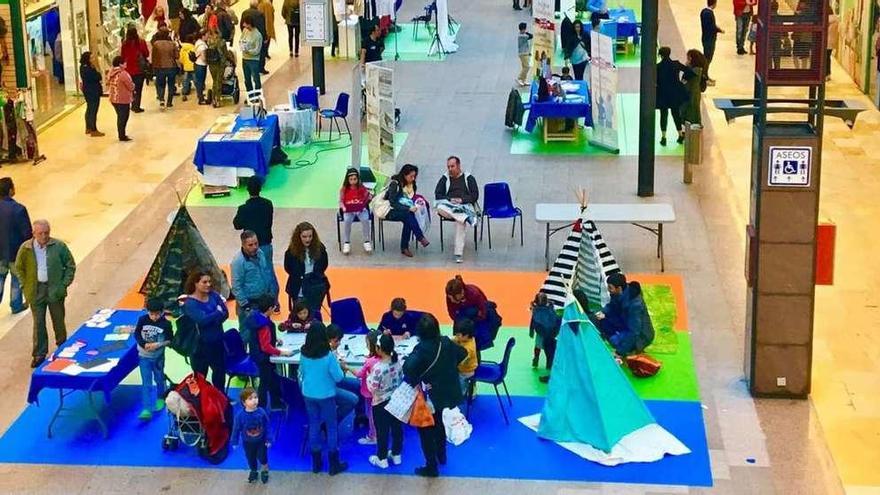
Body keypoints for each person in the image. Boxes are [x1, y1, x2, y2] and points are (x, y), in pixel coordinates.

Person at [403, 313, 467, 477]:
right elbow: (462, 353)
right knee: (438, 423)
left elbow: (408, 369)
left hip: (428, 395)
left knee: (425, 429)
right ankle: (442, 455)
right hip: (444, 392)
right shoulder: (445, 342)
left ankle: (431, 466)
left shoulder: (421, 349)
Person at [13, 219, 76, 368]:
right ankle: (39, 353)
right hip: (36, 291)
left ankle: (62, 347)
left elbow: (70, 265)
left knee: (58, 320)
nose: (44, 236)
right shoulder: (26, 248)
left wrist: (63, 284)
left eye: (46, 233)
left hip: (55, 289)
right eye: (40, 233)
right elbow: (18, 267)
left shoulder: (59, 246)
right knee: (38, 322)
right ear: (33, 233)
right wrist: (24, 284)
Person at [299, 324, 349, 475]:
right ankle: (334, 464)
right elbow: (339, 377)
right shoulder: (327, 356)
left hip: (308, 394)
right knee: (331, 426)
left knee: (314, 424)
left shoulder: (303, 352)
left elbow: (302, 371)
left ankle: (316, 463)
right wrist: (341, 367)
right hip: (326, 395)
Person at [182, 270, 229, 391]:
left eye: (209, 281)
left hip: (217, 342)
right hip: (200, 347)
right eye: (204, 282)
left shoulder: (214, 295)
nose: (208, 284)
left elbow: (226, 313)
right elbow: (201, 320)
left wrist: (212, 317)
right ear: (195, 284)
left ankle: (220, 398)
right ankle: (202, 400)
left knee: (219, 372)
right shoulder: (190, 304)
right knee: (200, 376)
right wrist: (216, 313)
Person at [246, 294, 292, 408]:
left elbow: (260, 339)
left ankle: (276, 403)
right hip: (264, 358)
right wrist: (281, 352)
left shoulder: (256, 317)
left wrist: (274, 339)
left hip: (256, 354)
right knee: (265, 383)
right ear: (270, 308)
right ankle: (261, 407)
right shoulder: (264, 325)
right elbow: (265, 346)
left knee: (272, 379)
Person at [230, 230, 279, 339]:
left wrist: (270, 293)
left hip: (263, 301)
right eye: (250, 245)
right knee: (246, 334)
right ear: (243, 245)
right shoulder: (238, 262)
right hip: (249, 305)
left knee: (265, 332)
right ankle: (243, 354)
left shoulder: (260, 253)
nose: (255, 247)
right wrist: (245, 305)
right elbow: (236, 286)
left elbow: (266, 272)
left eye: (256, 243)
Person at [594, 273, 655, 357]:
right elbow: (612, 305)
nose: (608, 290)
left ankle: (632, 348)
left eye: (610, 288)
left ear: (619, 288)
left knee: (614, 340)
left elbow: (634, 332)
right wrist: (603, 312)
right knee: (600, 321)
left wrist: (619, 352)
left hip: (641, 335)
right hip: (624, 321)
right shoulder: (618, 293)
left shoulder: (635, 305)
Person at [366, 333, 404, 468]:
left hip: (380, 403)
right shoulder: (397, 363)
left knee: (382, 431)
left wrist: (368, 377)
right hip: (396, 401)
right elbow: (400, 379)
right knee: (397, 428)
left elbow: (372, 388)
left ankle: (381, 458)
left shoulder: (378, 368)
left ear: (379, 349)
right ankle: (396, 454)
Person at [434, 156, 479, 264]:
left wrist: (461, 200)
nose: (450, 169)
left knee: (460, 222)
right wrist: (450, 200)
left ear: (458, 166)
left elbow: (475, 196)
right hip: (449, 207)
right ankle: (467, 218)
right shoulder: (444, 178)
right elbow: (438, 195)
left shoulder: (469, 178)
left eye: (452, 166)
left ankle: (458, 253)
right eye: (448, 167)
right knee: (439, 207)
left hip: (463, 206)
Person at [134, 297, 173, 420]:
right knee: (146, 382)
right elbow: (137, 334)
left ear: (162, 312)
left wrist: (158, 345)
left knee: (159, 378)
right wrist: (143, 344)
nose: (154, 317)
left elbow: (170, 340)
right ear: (147, 311)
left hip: (158, 357)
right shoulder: (142, 320)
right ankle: (146, 408)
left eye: (157, 314)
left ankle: (161, 397)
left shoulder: (166, 324)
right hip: (143, 356)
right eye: (152, 314)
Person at [0, 178, 31, 316]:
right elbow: (26, 233)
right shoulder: (19, 209)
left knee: (0, 278)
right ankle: (16, 304)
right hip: (14, 252)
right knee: (16, 279)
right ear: (11, 190)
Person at [445, 274, 501, 351]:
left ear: (461, 293)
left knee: (475, 346)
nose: (451, 300)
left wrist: (470, 322)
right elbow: (452, 314)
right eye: (449, 298)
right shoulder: (450, 296)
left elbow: (483, 313)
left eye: (452, 298)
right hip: (463, 321)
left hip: (480, 322)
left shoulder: (474, 294)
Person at [283, 222, 329, 313]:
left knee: (315, 314)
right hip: (298, 289)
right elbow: (288, 268)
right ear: (298, 237)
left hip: (315, 288)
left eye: (310, 236)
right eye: (304, 237)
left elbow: (324, 265)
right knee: (299, 316)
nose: (308, 239)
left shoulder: (320, 248)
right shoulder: (291, 252)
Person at [385, 164, 430, 257]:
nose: (413, 179)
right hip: (390, 210)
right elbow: (393, 202)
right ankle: (419, 238)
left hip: (403, 209)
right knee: (408, 215)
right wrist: (408, 208)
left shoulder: (411, 184)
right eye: (411, 176)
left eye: (414, 176)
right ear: (405, 175)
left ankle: (405, 246)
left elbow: (411, 198)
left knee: (408, 217)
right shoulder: (395, 184)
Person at [230, 387, 272, 484]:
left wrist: (269, 439)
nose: (254, 400)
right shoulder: (240, 416)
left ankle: (265, 470)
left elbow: (267, 426)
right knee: (250, 458)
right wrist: (234, 441)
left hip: (261, 441)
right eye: (250, 398)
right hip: (247, 443)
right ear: (244, 403)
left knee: (262, 457)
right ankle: (253, 470)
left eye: (255, 397)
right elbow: (236, 429)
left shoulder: (261, 412)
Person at [324, 323, 361, 424]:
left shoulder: (332, 349)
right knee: (352, 399)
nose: (339, 343)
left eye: (340, 340)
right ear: (328, 340)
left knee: (360, 385)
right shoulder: (325, 353)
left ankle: (360, 416)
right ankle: (331, 424)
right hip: (327, 384)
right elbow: (338, 377)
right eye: (336, 341)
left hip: (333, 379)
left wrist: (339, 365)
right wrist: (341, 368)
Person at [233, 176, 274, 262]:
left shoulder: (243, 209)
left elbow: (237, 225)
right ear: (260, 188)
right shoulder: (268, 204)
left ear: (247, 190)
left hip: (249, 247)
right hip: (266, 243)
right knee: (267, 271)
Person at [656, 46, 688, 146]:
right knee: (676, 115)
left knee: (663, 115)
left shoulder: (658, 67)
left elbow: (655, 80)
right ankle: (680, 134)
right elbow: (689, 71)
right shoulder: (676, 64)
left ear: (660, 55)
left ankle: (664, 137)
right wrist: (682, 81)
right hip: (674, 94)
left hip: (663, 94)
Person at [353, 329, 381, 446]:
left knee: (371, 415)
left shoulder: (369, 362)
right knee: (379, 415)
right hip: (382, 393)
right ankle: (380, 433)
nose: (366, 346)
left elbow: (359, 374)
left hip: (370, 394)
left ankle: (372, 436)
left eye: (368, 344)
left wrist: (347, 368)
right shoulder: (384, 358)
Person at [339, 167, 373, 255]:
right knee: (347, 221)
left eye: (355, 179)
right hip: (348, 211)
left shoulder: (362, 188)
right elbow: (341, 201)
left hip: (360, 210)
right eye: (351, 179)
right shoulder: (343, 189)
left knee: (365, 220)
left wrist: (370, 197)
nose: (353, 181)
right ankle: (346, 242)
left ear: (358, 179)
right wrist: (343, 208)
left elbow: (367, 198)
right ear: (347, 180)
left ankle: (366, 241)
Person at [530, 292, 560, 383]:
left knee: (538, 347)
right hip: (550, 333)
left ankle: (536, 358)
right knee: (549, 350)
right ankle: (548, 363)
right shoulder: (550, 308)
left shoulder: (536, 310)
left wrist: (531, 331)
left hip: (541, 333)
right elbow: (555, 319)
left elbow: (533, 321)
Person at [120, 26, 149, 113]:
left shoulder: (125, 43)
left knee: (130, 87)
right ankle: (136, 106)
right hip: (139, 68)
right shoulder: (141, 42)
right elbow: (146, 53)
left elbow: (122, 56)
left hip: (128, 69)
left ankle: (132, 103)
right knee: (138, 89)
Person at [107, 56, 135, 142]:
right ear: (120, 64)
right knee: (123, 117)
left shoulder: (111, 72)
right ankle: (122, 135)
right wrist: (133, 87)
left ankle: (121, 134)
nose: (126, 64)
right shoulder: (123, 74)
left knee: (120, 116)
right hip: (123, 99)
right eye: (124, 63)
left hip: (114, 98)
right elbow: (130, 86)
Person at [151, 27, 180, 109]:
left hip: (160, 67)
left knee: (160, 84)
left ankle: (161, 99)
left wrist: (154, 67)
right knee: (171, 84)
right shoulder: (172, 44)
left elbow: (154, 57)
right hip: (171, 67)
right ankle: (169, 102)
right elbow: (177, 56)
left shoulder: (156, 44)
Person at [79, 52, 103, 137]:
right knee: (93, 110)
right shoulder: (88, 68)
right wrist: (96, 72)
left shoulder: (83, 67)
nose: (93, 59)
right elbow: (97, 77)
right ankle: (93, 129)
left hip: (88, 90)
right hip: (92, 91)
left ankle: (88, 127)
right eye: (91, 58)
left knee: (89, 108)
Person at [681, 49, 706, 127]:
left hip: (689, 94)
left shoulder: (691, 71)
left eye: (688, 58)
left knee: (689, 112)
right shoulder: (700, 70)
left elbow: (683, 82)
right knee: (695, 110)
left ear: (691, 59)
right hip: (696, 93)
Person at [242, 0, 269, 74]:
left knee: (249, 50)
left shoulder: (244, 12)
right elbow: (263, 26)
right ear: (257, 6)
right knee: (261, 52)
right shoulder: (260, 14)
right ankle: (261, 68)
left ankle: (250, 69)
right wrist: (265, 37)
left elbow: (242, 24)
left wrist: (244, 33)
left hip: (248, 35)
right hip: (258, 35)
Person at [699, 0, 722, 86]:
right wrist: (718, 30)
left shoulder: (704, 11)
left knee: (707, 58)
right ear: (714, 4)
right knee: (707, 59)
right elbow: (711, 26)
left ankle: (706, 76)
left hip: (706, 37)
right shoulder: (709, 13)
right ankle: (704, 77)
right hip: (709, 39)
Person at [452, 318, 477, 395]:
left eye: (458, 335)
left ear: (466, 335)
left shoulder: (468, 349)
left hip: (466, 371)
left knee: (460, 382)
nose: (456, 336)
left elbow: (461, 362)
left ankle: (461, 395)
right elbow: (455, 340)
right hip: (463, 367)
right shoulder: (464, 339)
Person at [240, 17, 264, 93]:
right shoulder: (245, 31)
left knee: (256, 78)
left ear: (249, 24)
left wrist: (248, 50)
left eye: (245, 24)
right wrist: (242, 45)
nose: (244, 25)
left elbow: (257, 50)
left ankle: (257, 95)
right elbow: (241, 39)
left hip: (253, 60)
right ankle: (249, 95)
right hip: (245, 58)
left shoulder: (258, 35)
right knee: (247, 79)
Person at [257, 0, 275, 71]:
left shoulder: (260, 4)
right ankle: (261, 67)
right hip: (265, 27)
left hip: (259, 27)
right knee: (263, 47)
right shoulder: (267, 4)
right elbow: (271, 15)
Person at [192, 30, 210, 105]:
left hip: (197, 64)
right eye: (207, 35)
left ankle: (200, 95)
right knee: (200, 82)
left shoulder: (197, 42)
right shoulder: (202, 46)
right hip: (201, 65)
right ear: (203, 36)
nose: (208, 36)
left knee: (199, 81)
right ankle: (201, 99)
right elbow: (203, 57)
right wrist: (208, 62)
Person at [178, 35, 196, 102]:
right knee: (196, 81)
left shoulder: (183, 49)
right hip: (193, 67)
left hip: (186, 67)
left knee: (185, 81)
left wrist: (183, 63)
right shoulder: (194, 47)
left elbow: (181, 59)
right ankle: (199, 95)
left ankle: (184, 94)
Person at [516, 22, 533, 86]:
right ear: (523, 29)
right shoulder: (522, 36)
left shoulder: (522, 35)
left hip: (525, 52)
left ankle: (523, 81)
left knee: (524, 66)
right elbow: (531, 36)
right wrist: (526, 32)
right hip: (523, 53)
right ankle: (519, 78)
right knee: (527, 67)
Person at [827, 9, 839, 79]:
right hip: (832, 42)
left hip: (826, 41)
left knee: (825, 58)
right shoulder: (836, 20)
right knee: (828, 58)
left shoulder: (827, 20)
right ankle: (828, 74)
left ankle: (825, 74)